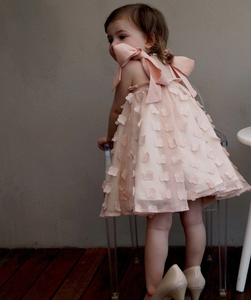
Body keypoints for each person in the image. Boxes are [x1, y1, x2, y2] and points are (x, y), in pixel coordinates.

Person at [98, 4, 250, 300]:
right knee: (194, 219)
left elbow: (117, 110)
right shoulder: (172, 65)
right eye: (110, 39)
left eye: (121, 36)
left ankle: (155, 288)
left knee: (159, 224)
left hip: (157, 161)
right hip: (189, 157)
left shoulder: (130, 67)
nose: (114, 45)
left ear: (150, 40)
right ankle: (194, 274)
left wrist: (110, 137)